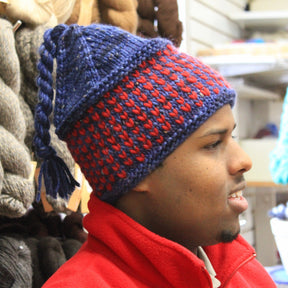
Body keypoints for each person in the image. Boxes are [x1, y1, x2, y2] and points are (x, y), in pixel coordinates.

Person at [34, 23, 277, 288]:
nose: (244, 161)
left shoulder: (239, 266)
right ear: (134, 171)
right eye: (213, 144)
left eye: (233, 137)